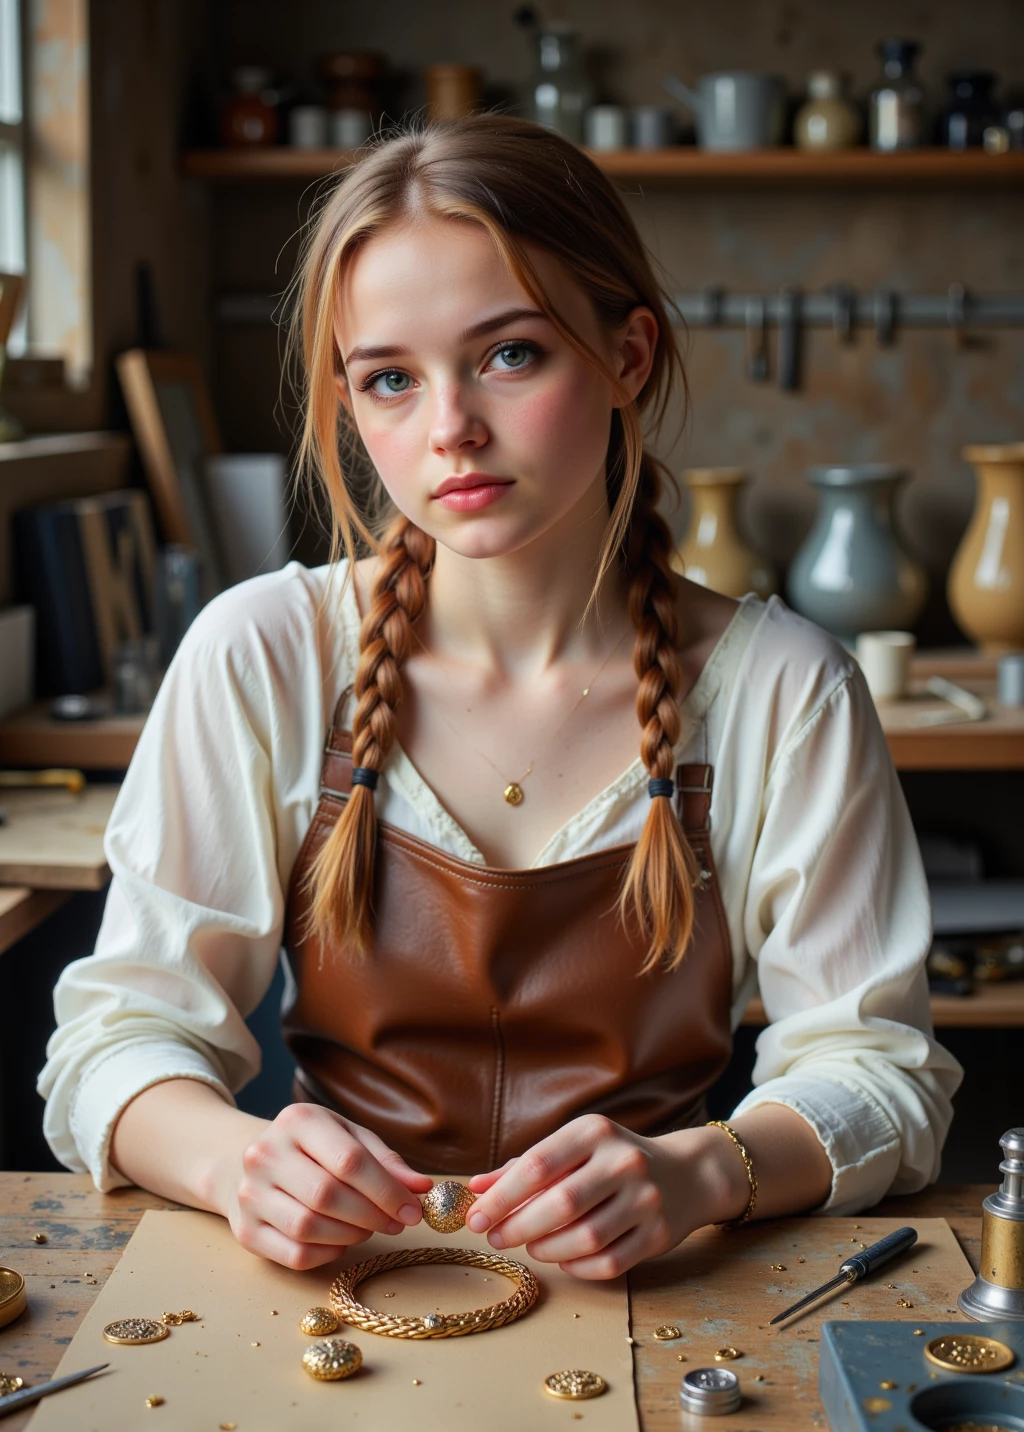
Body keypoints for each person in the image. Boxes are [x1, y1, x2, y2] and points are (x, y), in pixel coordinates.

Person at [39, 113, 962, 1281]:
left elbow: (881, 1072)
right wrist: (238, 1165)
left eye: (509, 354)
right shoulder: (262, 651)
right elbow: (118, 1039)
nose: (450, 429)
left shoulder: (788, 690)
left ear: (627, 356)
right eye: (389, 379)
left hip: (670, 1290)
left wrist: (700, 1170)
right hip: (337, 1294)